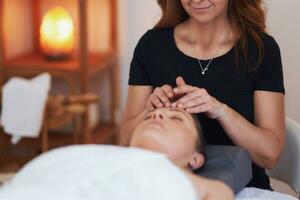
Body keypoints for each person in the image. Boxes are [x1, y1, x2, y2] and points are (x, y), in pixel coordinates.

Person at [121, 0, 285, 190]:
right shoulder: (151, 46)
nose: (197, 0)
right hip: (163, 187)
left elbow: (270, 156)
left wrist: (220, 110)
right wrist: (150, 111)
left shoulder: (261, 49)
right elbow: (125, 141)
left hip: (244, 190)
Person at [0, 107, 234, 200]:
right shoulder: (92, 152)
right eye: (150, 115)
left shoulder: (170, 176)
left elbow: (222, 193)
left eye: (176, 118)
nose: (157, 115)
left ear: (196, 158)